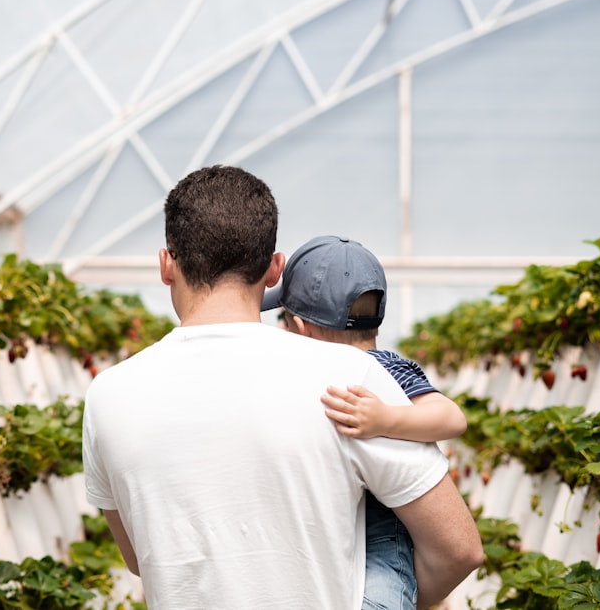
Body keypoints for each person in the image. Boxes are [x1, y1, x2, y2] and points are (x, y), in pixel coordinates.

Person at [82, 165, 483, 609]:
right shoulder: (351, 380)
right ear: (275, 269)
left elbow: (141, 556)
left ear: (165, 265)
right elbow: (459, 549)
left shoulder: (108, 395)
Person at [262, 234, 469, 610]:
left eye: (286, 323)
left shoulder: (388, 373)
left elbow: (451, 418)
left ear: (300, 328)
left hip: (384, 532)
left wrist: (386, 418)